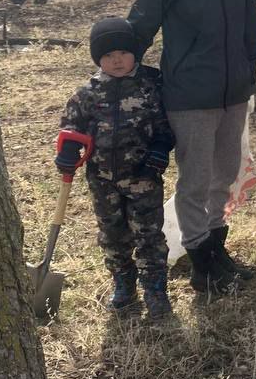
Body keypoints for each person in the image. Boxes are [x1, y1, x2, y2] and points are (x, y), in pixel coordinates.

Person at [128, 0, 256, 296]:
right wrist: (119, 64)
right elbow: (141, 26)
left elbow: (251, 30)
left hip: (233, 92)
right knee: (196, 180)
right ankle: (199, 259)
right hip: (190, 94)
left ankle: (216, 249)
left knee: (224, 174)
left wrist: (247, 66)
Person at [57, 18, 174, 319]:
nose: (117, 60)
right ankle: (124, 284)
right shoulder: (87, 93)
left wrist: (160, 151)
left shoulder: (151, 87)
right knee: (112, 234)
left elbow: (165, 127)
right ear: (99, 59)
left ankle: (155, 288)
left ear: (135, 53)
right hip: (102, 180)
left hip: (143, 178)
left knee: (148, 233)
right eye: (108, 55)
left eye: (123, 53)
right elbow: (71, 127)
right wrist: (68, 151)